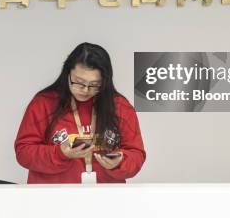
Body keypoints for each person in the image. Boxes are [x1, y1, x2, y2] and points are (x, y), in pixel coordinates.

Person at [14, 42, 146, 183]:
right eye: (79, 82)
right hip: (53, 198)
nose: (85, 90)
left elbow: (136, 154)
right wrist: (60, 154)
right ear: (67, 73)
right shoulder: (44, 102)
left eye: (94, 85)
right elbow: (23, 152)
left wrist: (120, 162)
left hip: (105, 198)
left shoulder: (119, 106)